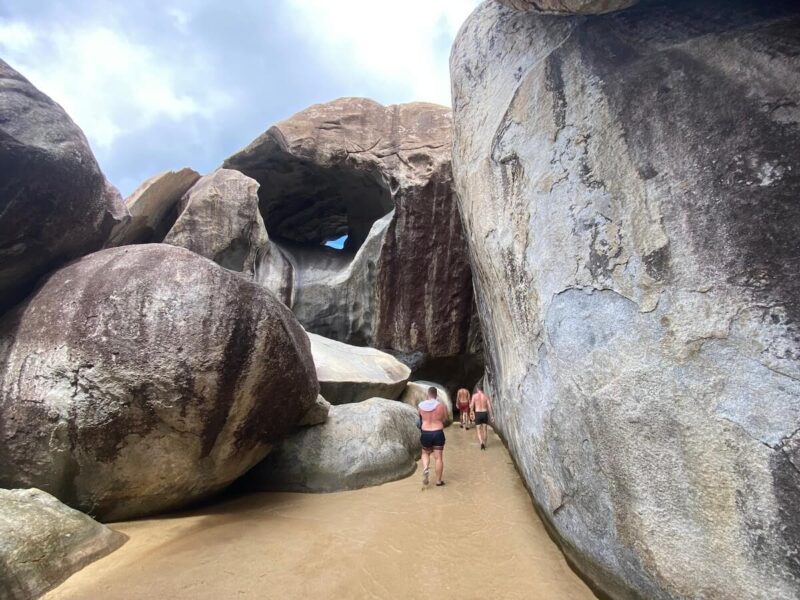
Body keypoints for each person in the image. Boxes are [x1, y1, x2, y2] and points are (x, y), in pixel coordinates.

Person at [418, 386, 447, 487]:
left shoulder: (420, 405)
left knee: (425, 453)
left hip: (425, 433)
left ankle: (426, 468)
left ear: (428, 395)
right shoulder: (440, 406)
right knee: (438, 458)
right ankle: (438, 481)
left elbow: (420, 417)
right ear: (436, 395)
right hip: (437, 432)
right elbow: (445, 418)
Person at [470, 384, 494, 450]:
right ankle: (485, 444)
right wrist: (492, 416)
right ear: (482, 389)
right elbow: (489, 407)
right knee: (485, 430)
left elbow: (471, 405)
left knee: (478, 430)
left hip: (478, 413)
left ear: (477, 389)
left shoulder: (474, 396)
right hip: (484, 413)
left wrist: (471, 413)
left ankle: (481, 443)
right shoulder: (486, 396)